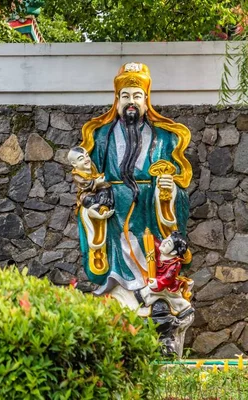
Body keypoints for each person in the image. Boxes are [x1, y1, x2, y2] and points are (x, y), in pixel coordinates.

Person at [77, 62, 192, 302]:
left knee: (151, 252)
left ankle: (153, 292)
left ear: (146, 99)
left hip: (150, 206)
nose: (131, 101)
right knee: (116, 250)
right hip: (114, 209)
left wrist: (169, 192)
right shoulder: (101, 136)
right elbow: (89, 180)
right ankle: (120, 293)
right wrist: (93, 201)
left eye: (137, 96)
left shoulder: (164, 138)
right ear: (117, 99)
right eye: (125, 96)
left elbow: (180, 182)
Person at [68, 146, 114, 214]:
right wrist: (95, 182)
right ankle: (96, 209)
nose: (86, 159)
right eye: (81, 159)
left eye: (87, 156)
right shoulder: (77, 174)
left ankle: (104, 206)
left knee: (106, 190)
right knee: (87, 200)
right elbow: (85, 183)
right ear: (74, 164)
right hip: (87, 193)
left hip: (97, 189)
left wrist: (100, 178)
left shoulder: (91, 165)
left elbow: (95, 175)